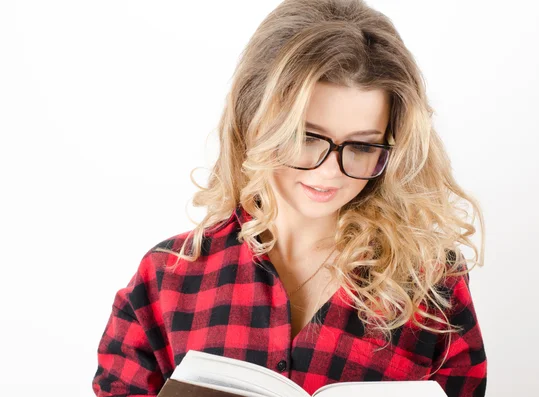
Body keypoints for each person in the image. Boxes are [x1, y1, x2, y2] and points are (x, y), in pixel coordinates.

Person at [92, 0, 487, 396]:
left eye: (363, 147)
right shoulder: (168, 279)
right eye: (305, 138)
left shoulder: (432, 285)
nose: (329, 171)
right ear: (254, 122)